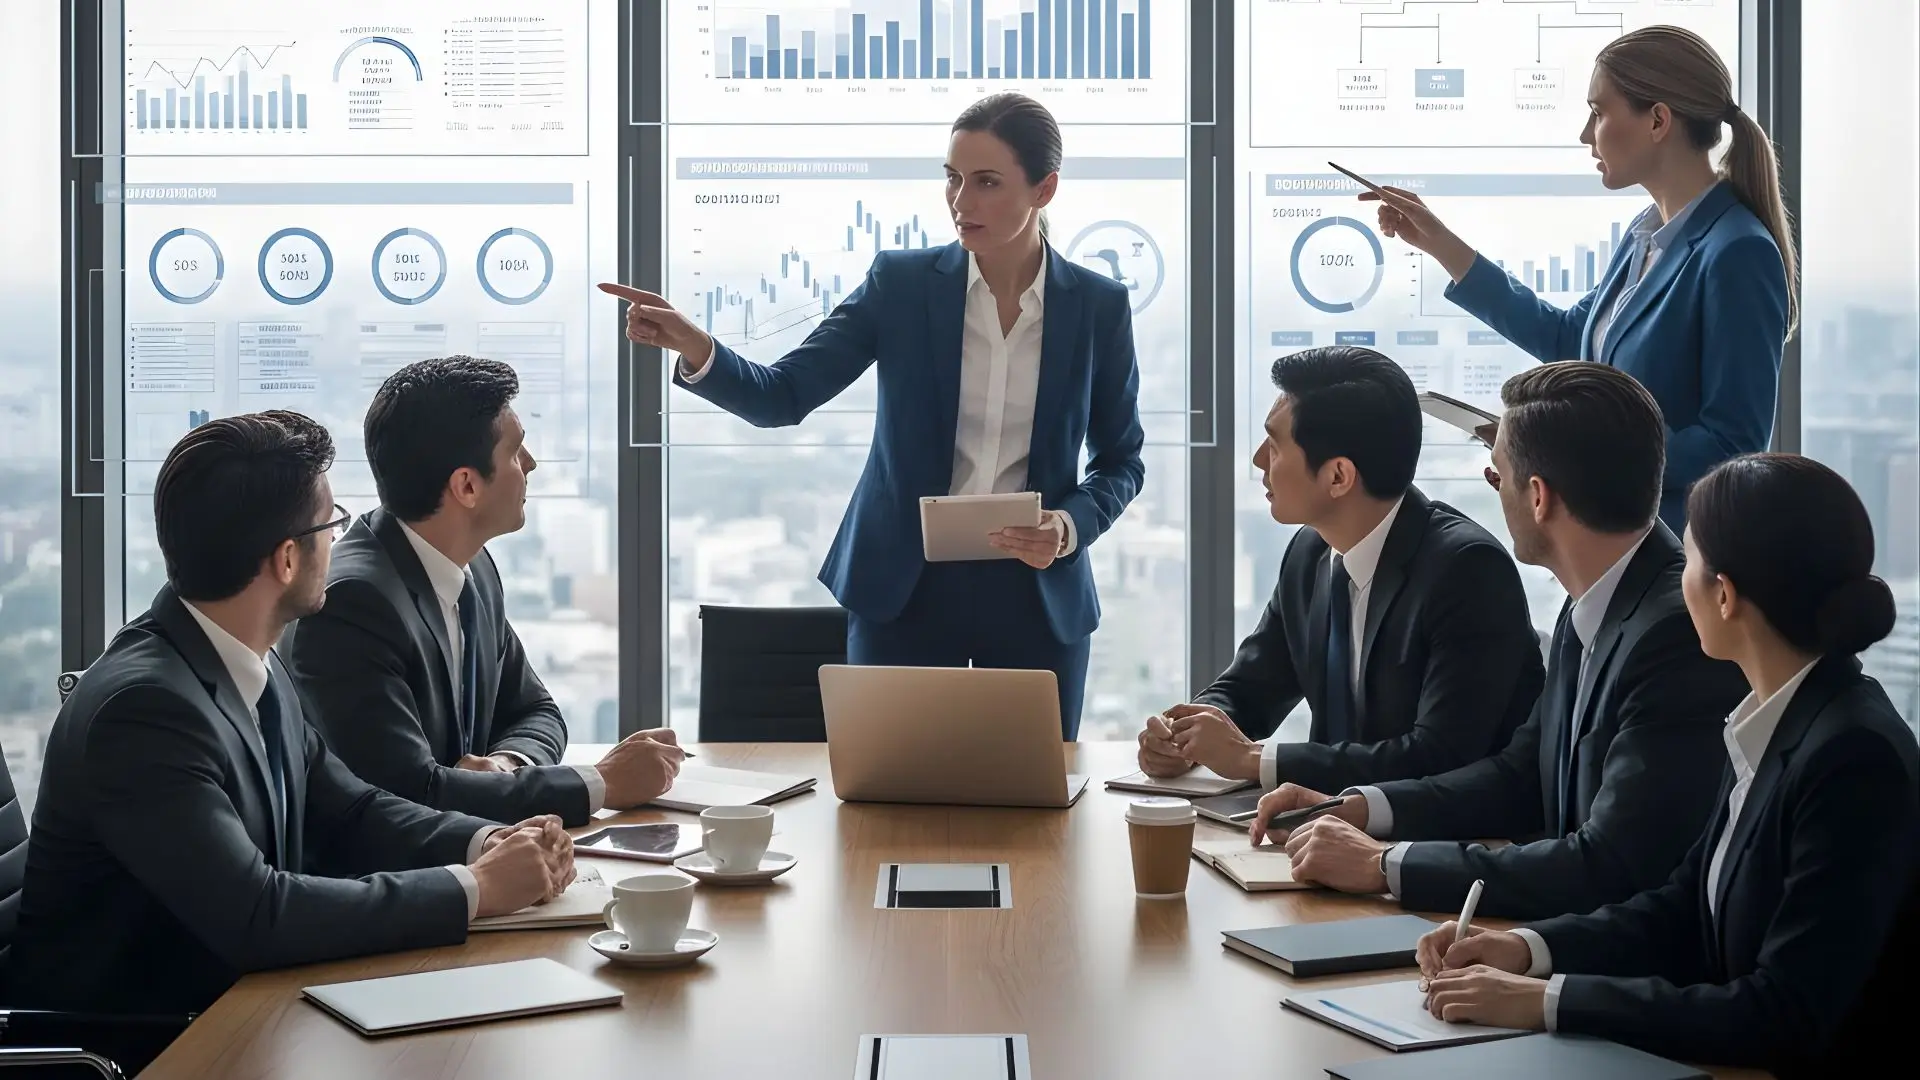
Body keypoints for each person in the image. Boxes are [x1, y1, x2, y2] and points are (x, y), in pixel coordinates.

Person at [598, 92, 1143, 739]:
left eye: (987, 182)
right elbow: (784, 394)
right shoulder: (903, 285)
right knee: (886, 793)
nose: (961, 202)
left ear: (1044, 188)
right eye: (953, 179)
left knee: (1035, 803)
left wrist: (1068, 525)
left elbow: (1120, 460)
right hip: (903, 589)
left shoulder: (1097, 308)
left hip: (1035, 592)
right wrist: (696, 347)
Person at [10, 412, 574, 1016]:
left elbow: (350, 809)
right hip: (148, 1037)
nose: (340, 540)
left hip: (242, 1002)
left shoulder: (243, 653)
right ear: (285, 560)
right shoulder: (144, 712)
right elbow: (256, 913)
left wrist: (486, 841)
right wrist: (478, 889)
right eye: (331, 524)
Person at [1412, 454, 1918, 1079]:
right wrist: (1528, 949)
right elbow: (1681, 908)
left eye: (1692, 561)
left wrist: (1549, 1002)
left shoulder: (1851, 758)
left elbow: (1780, 1012)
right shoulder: (1773, 717)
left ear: (1725, 595)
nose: (1678, 577)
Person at [1253, 363, 1748, 920]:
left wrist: (1383, 865)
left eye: (1497, 475)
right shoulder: (1594, 600)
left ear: (1538, 497)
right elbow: (1521, 776)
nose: (1493, 494)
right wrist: (1360, 807)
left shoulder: (1674, 638)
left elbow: (1609, 864)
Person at [1363, 25, 1793, 532]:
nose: (1586, 134)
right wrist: (1440, 244)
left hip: (1676, 561)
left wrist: (1570, 456)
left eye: (1598, 111)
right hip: (1609, 552)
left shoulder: (1737, 252)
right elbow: (1571, 338)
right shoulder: (1646, 233)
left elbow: (1732, 447)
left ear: (1658, 120)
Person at [282, 357, 683, 827]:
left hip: (481, 854)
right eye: (515, 452)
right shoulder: (351, 605)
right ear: (467, 486)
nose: (530, 464)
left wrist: (507, 767)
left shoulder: (472, 567)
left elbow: (536, 709)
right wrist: (601, 783)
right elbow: (411, 795)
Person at [1135, 346, 1543, 793]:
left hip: (1447, 843)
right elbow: (1251, 687)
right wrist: (1186, 735)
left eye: (1274, 446)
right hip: (1325, 832)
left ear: (1337, 477)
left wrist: (1253, 760)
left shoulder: (1467, 571)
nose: (1257, 461)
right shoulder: (1310, 551)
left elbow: (1439, 756)